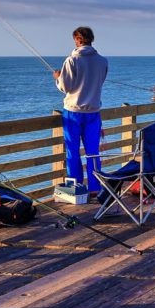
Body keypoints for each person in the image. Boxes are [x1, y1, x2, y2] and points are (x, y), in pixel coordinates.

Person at [53, 26, 109, 196]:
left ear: (77, 39)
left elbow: (66, 86)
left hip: (73, 112)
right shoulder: (102, 61)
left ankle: (76, 188)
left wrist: (58, 78)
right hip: (93, 111)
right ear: (91, 39)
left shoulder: (72, 60)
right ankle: (95, 188)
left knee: (72, 151)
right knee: (93, 153)